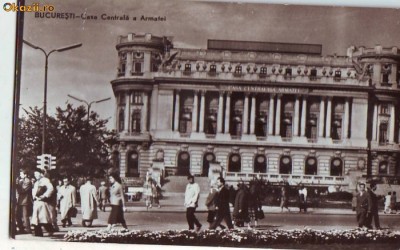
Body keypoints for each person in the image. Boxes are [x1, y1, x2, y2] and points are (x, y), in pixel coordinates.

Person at [30, 168, 55, 236]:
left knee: (44, 217)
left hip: (42, 202)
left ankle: (50, 230)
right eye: (34, 174)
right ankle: (38, 233)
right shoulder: (36, 182)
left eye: (37, 174)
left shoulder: (45, 180)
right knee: (36, 218)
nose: (35, 175)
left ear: (41, 174)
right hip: (36, 202)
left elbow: (51, 188)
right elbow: (34, 191)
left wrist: (44, 196)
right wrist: (34, 197)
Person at [16, 168, 33, 234]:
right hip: (20, 200)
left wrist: (17, 185)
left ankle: (28, 229)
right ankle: (21, 229)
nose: (20, 175)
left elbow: (23, 191)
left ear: (25, 175)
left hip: (25, 201)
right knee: (18, 215)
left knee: (25, 215)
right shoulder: (21, 180)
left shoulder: (28, 181)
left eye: (21, 173)